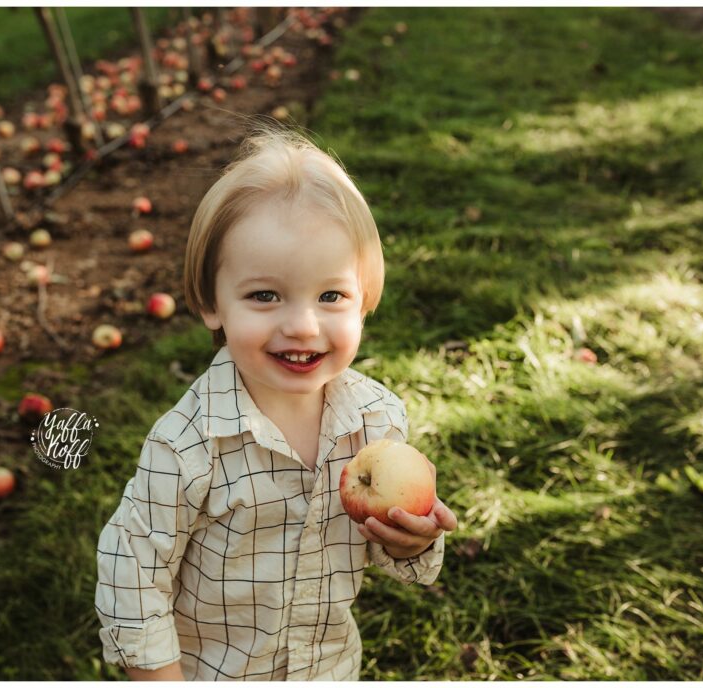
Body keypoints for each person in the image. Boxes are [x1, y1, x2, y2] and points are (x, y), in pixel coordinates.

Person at [94, 124, 458, 681]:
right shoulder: (189, 444)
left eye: (331, 296)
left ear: (365, 301)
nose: (302, 326)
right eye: (265, 295)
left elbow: (399, 558)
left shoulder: (375, 422)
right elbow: (131, 569)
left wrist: (412, 541)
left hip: (329, 670)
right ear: (210, 303)